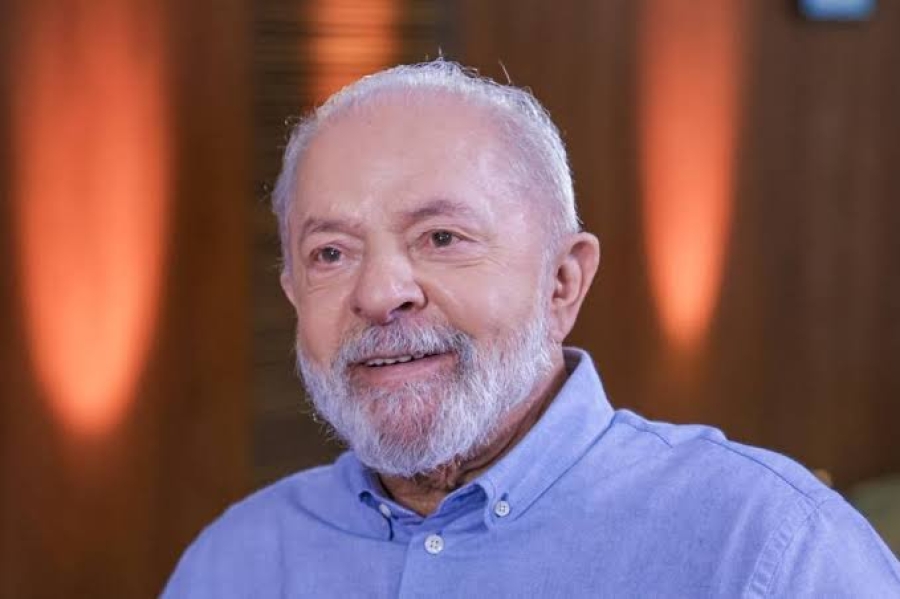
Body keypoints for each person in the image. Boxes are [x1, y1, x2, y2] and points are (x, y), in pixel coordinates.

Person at [163, 60, 900, 597]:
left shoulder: (769, 549)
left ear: (562, 282)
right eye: (330, 253)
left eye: (441, 237)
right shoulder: (234, 563)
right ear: (294, 295)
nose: (380, 293)